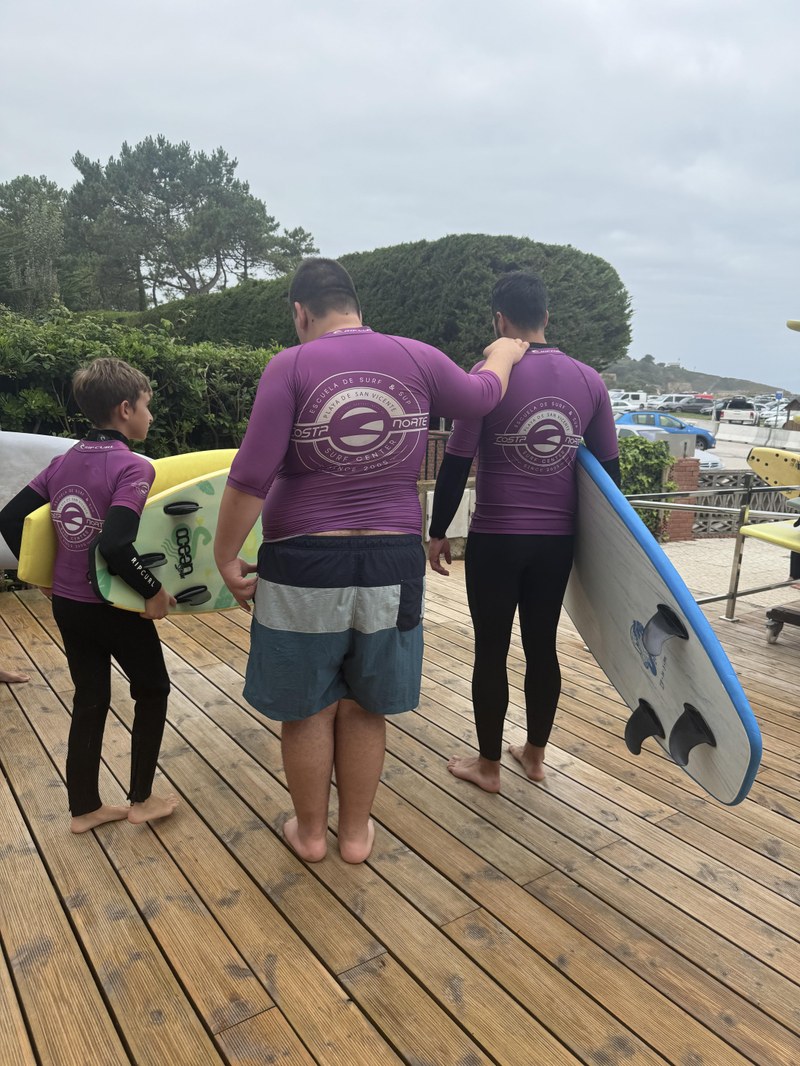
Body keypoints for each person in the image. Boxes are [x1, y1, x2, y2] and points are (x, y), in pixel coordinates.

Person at [214, 257, 526, 864]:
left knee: (308, 709)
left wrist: (227, 555)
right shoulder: (416, 356)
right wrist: (506, 355)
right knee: (365, 705)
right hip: (392, 559)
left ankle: (309, 835)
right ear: (358, 308)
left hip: (302, 559)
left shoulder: (291, 364)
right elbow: (482, 396)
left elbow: (251, 475)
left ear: (300, 313)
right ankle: (355, 836)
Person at [428, 271, 620, 793]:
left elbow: (456, 462)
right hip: (557, 542)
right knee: (542, 645)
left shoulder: (491, 373)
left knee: (491, 648)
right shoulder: (589, 379)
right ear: (547, 318)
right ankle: (534, 756)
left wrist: (438, 529)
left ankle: (488, 766)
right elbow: (610, 476)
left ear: (500, 320)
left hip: (496, 538)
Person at [0, 358, 178, 833]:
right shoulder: (134, 467)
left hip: (70, 606)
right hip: (115, 606)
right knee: (153, 689)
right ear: (125, 408)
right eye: (147, 407)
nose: (150, 416)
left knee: (90, 697)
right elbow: (115, 544)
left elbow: (10, 517)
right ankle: (141, 798)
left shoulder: (64, 462)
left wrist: (37, 573)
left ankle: (85, 809)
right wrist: (154, 591)